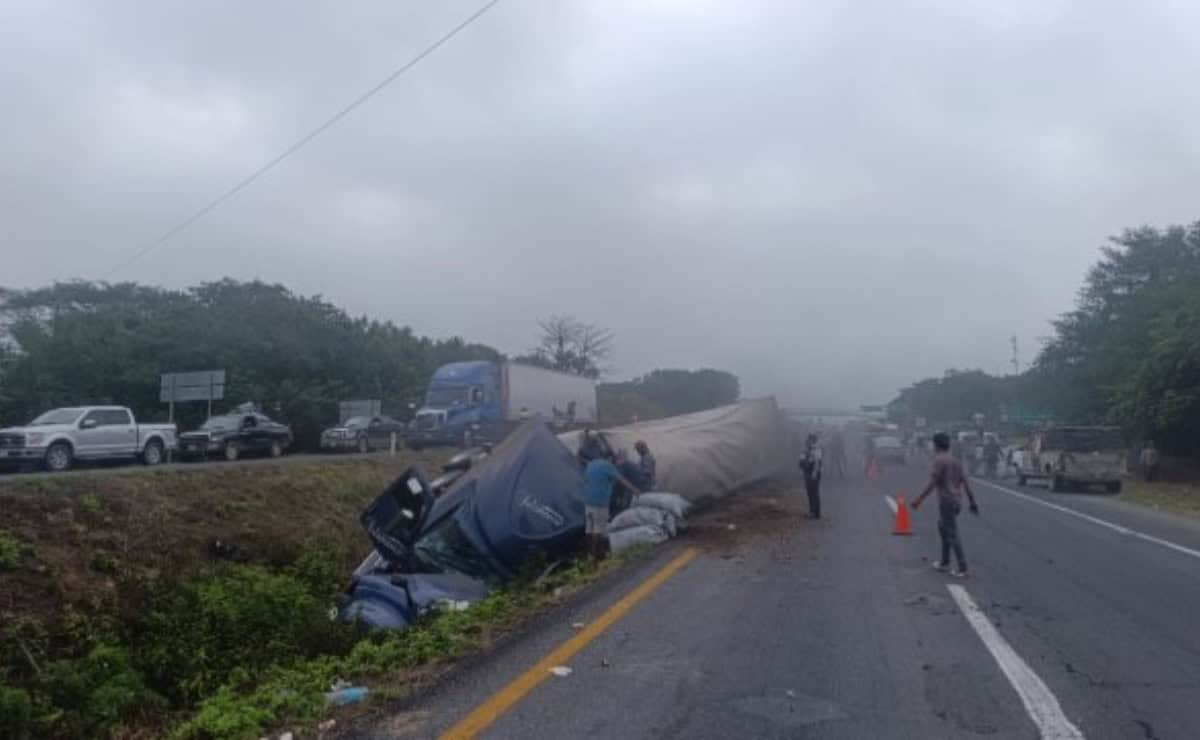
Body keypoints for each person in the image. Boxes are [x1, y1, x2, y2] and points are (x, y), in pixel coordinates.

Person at [912, 431, 979, 578]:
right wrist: (972, 502)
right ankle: (944, 562)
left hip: (947, 501)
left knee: (952, 533)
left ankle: (963, 568)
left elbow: (933, 483)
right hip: (957, 501)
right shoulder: (955, 460)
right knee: (943, 528)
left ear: (936, 445)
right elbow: (966, 483)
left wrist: (919, 500)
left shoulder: (939, 460)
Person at [580, 456, 641, 559]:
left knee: (590, 528)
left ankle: (589, 553)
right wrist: (635, 490)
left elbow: (585, 480)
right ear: (610, 459)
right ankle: (596, 555)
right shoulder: (608, 466)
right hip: (600, 501)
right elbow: (621, 480)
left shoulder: (591, 465)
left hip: (588, 500)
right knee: (598, 529)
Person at [799, 433, 824, 519]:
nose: (808, 442)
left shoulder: (816, 450)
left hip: (813, 474)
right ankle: (814, 512)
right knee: (811, 493)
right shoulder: (807, 450)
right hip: (808, 473)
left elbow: (817, 463)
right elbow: (801, 463)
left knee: (813, 493)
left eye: (809, 440)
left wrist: (814, 474)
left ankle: (814, 512)